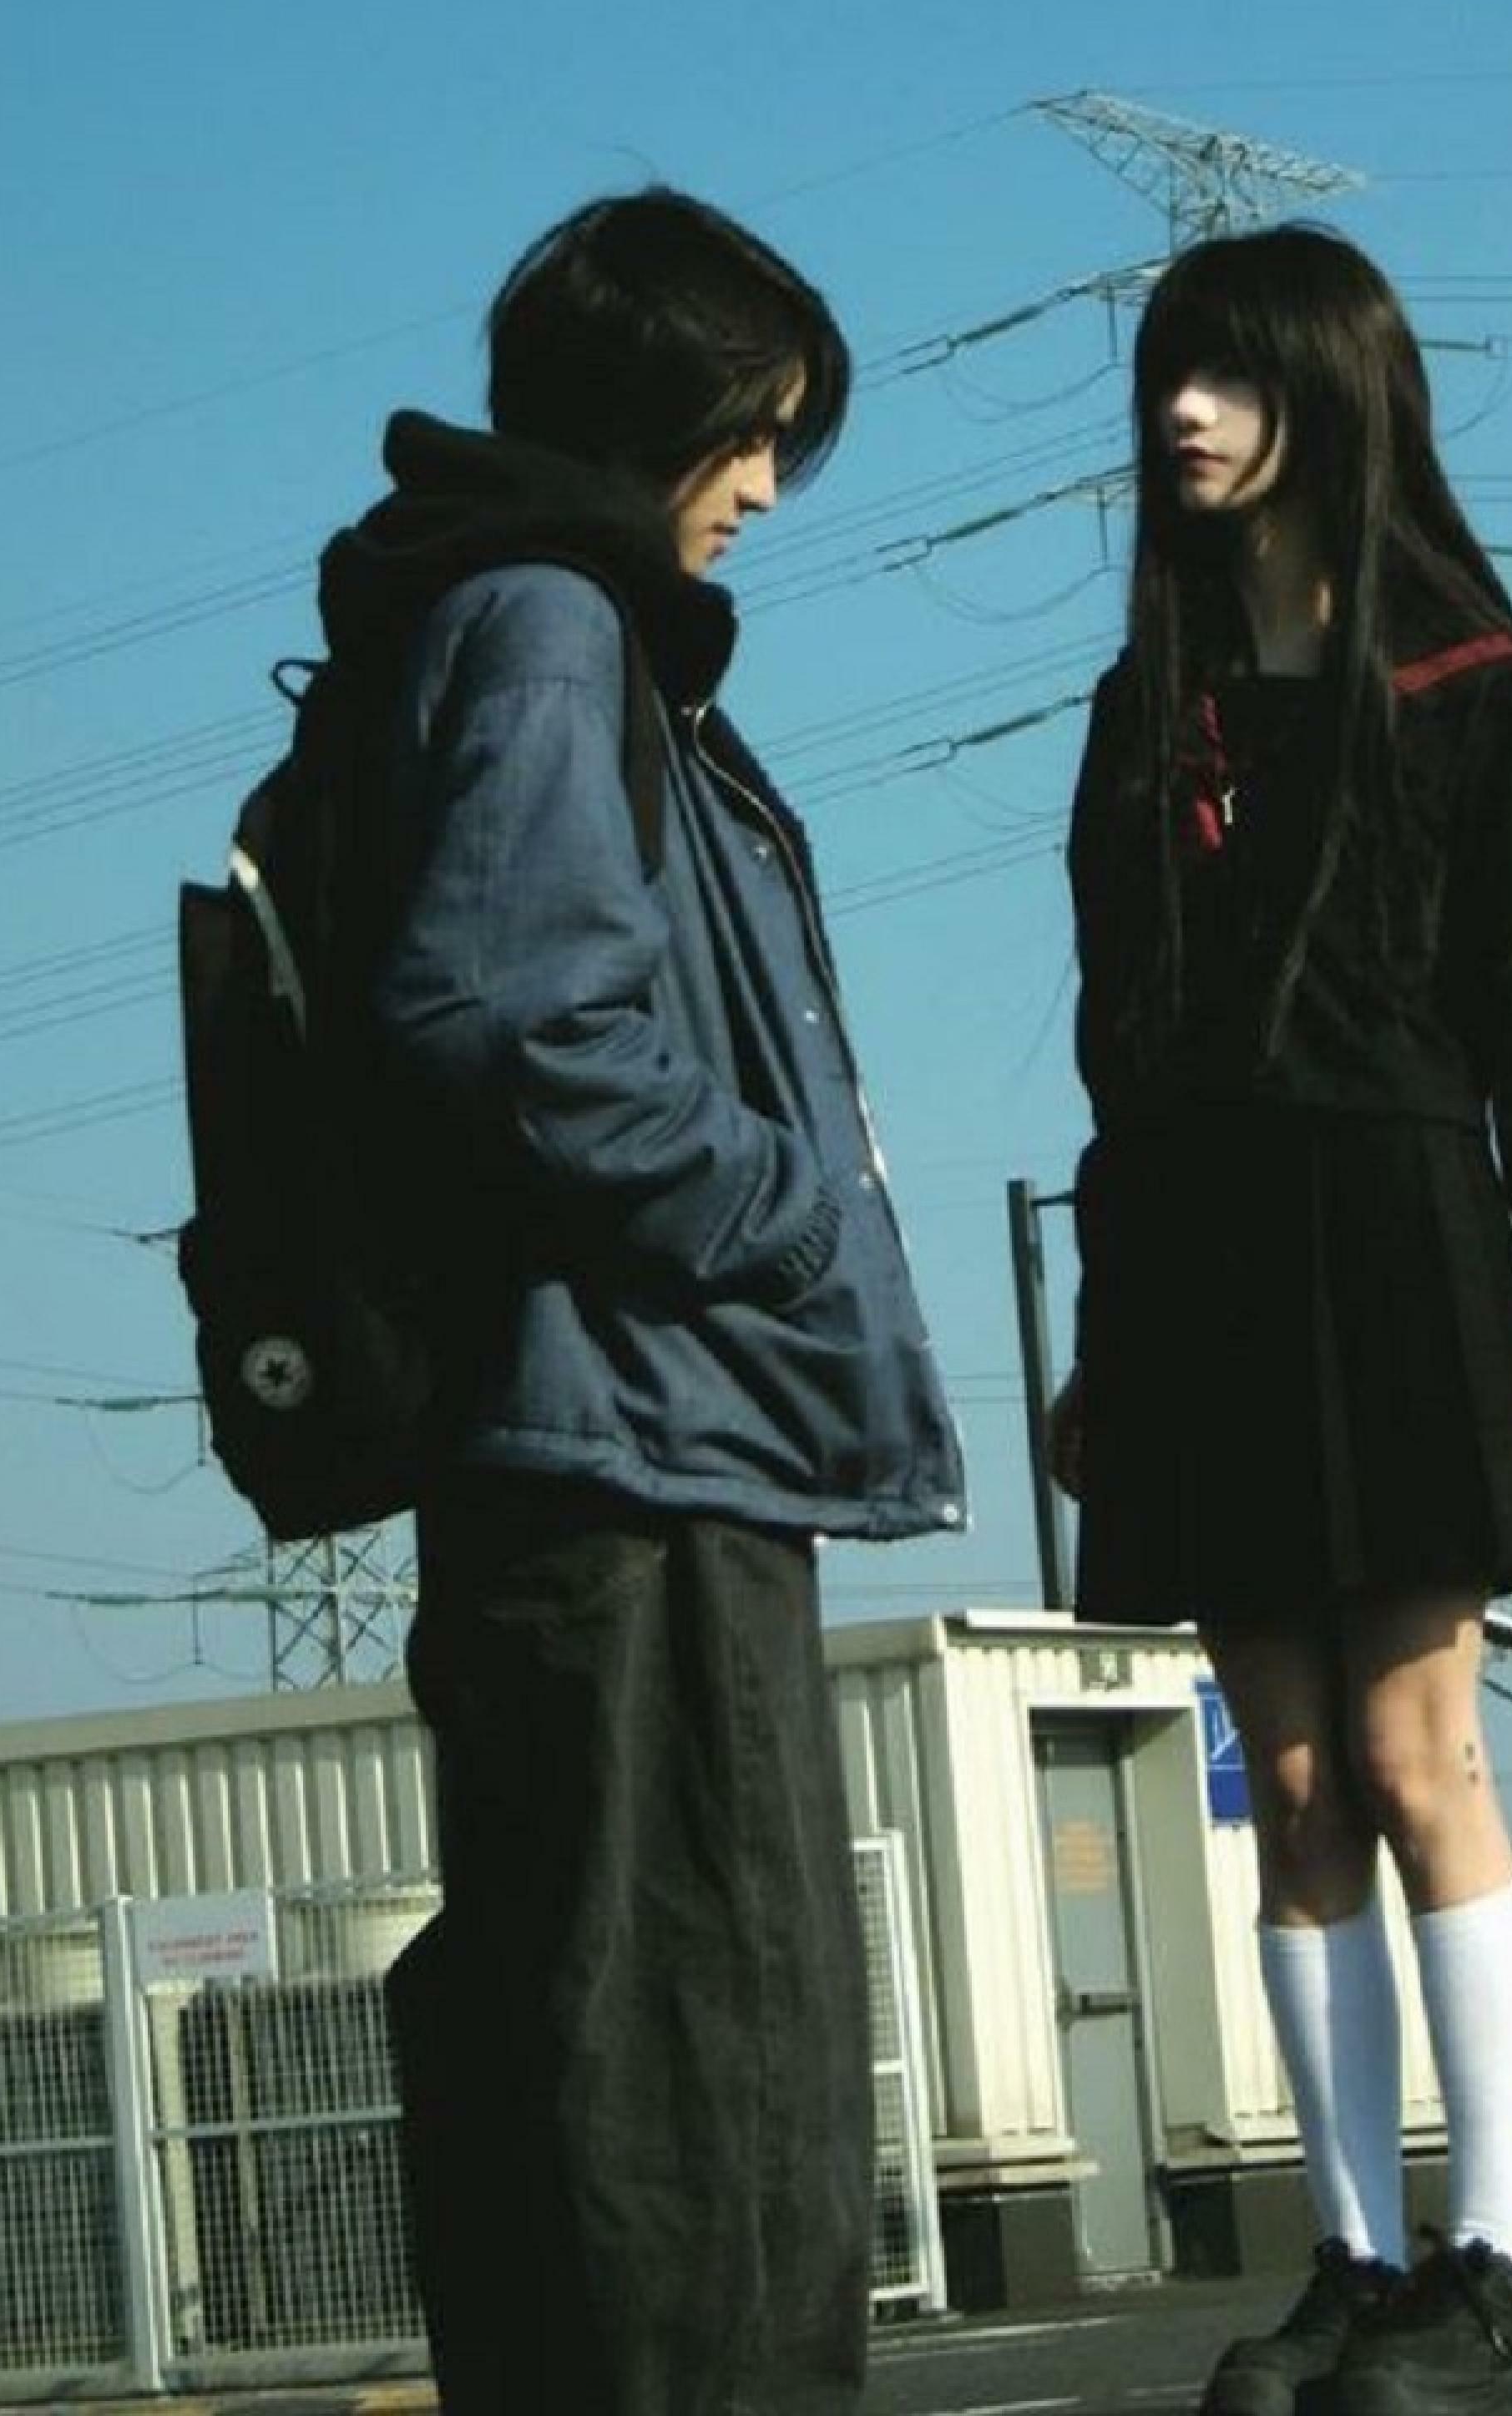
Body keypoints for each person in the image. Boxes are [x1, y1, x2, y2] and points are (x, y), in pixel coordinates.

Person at [338, 190, 964, 2416]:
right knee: (709, 2086)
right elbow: (514, 1015)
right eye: (748, 429)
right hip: (639, 1454)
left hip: (598, 1447)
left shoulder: (500, 614)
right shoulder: (548, 626)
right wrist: (785, 1220)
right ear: (641, 412)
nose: (766, 488)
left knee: (617, 2071)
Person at [1051, 225, 1512, 2416]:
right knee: (1288, 1786)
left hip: (1404, 1236)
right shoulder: (1151, 707)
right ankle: (1360, 2262)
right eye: (1165, 380)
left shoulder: (1476, 687)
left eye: (1227, 378)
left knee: (1414, 1758)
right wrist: (1105, 1337)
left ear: (1333, 394)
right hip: (1198, 1259)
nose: (1181, 417)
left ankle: (1502, 2263)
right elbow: (1119, 1054)